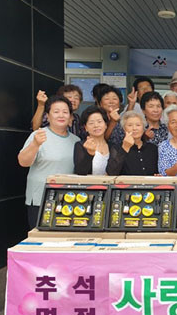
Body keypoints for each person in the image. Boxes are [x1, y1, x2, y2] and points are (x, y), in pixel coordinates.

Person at [18, 96, 80, 228]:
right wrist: (35, 144)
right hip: (41, 199)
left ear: (70, 117)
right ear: (47, 115)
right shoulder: (38, 135)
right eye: (56, 111)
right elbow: (23, 162)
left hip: (68, 200)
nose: (61, 115)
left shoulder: (76, 141)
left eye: (65, 112)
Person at [106, 111, 158, 175]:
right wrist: (125, 148)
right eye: (130, 125)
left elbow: (157, 171)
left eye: (138, 125)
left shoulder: (153, 148)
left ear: (143, 128)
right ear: (124, 129)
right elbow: (111, 172)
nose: (134, 128)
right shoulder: (117, 148)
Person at [74, 106, 110, 175]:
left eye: (99, 122)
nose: (96, 125)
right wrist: (89, 154)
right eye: (91, 123)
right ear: (86, 128)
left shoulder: (112, 146)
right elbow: (80, 172)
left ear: (105, 125)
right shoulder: (80, 146)